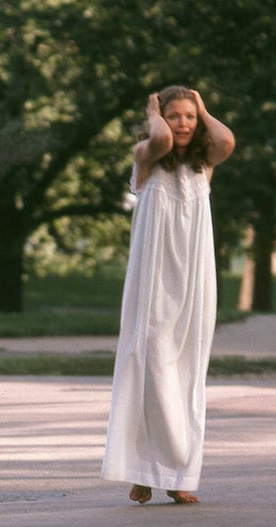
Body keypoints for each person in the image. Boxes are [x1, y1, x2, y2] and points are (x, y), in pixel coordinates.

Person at [99, 86, 235, 504]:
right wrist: (152, 111)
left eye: (189, 117)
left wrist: (203, 108)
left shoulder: (203, 166)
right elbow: (160, 140)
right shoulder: (146, 159)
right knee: (150, 367)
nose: (182, 124)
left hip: (192, 282)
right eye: (174, 115)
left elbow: (226, 141)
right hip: (154, 284)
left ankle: (177, 474)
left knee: (187, 372)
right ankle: (142, 469)